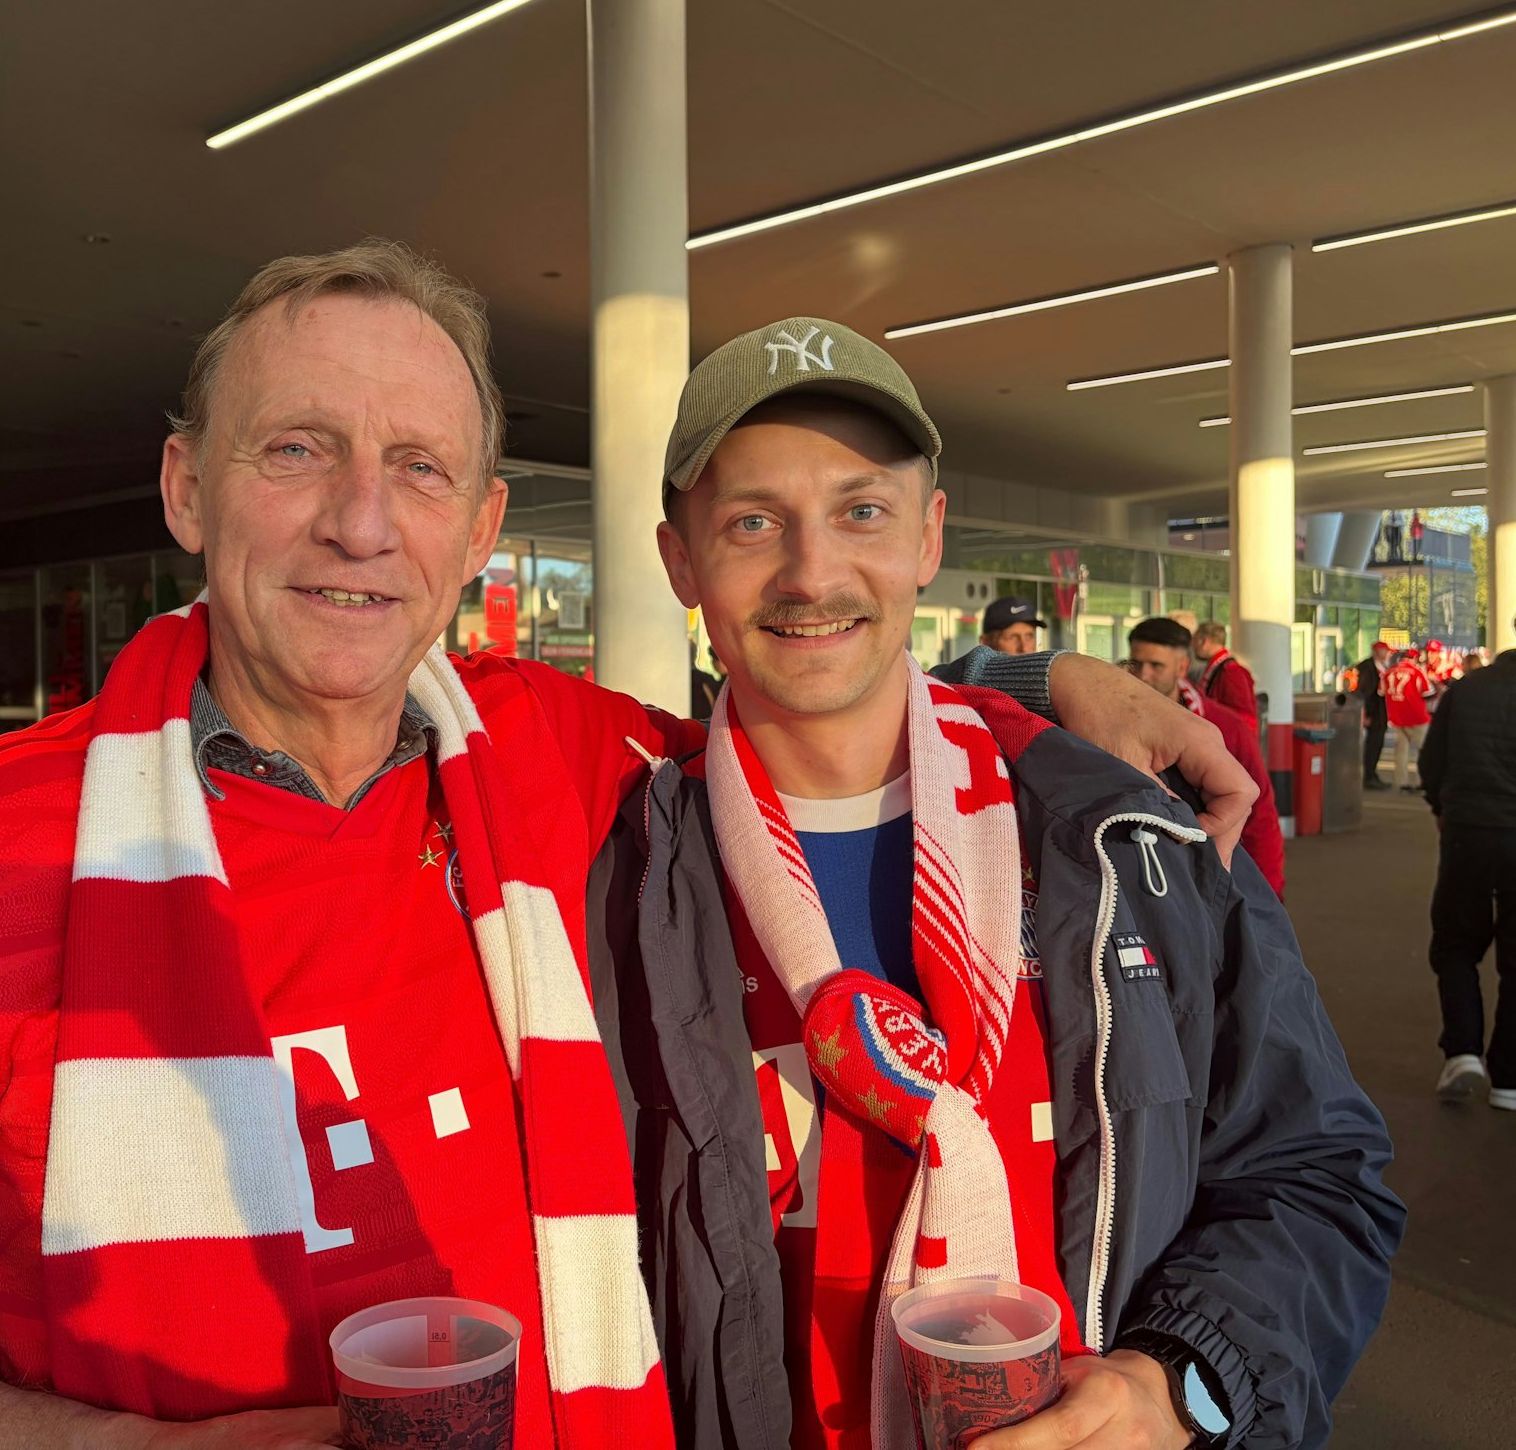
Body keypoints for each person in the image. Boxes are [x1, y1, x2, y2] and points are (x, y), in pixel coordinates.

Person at [0, 244, 1255, 1450]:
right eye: (296, 449)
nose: (362, 521)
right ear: (185, 486)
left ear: (483, 525)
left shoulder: (578, 770)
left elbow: (816, 688)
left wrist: (1036, 679)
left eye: (419, 468)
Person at [597, 317, 1398, 1450]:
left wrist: (1178, 1381)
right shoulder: (604, 865)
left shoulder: (1122, 842)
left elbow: (1316, 1172)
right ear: (679, 559)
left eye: (860, 510)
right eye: (749, 521)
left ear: (927, 536)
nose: (811, 571)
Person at [1417, 645, 1516, 1107]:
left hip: (1469, 831)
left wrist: (1442, 807)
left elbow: (1432, 760)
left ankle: (1462, 1052)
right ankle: (1509, 1078)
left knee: (1455, 943)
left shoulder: (1468, 689)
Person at [1126, 617, 1285, 896]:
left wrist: (1269, 891)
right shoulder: (1108, 724)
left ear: (1182, 667)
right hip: (1135, 879)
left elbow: (1259, 812)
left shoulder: (1225, 726)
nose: (1143, 675)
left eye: (1156, 665)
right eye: (1137, 663)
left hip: (1207, 879)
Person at [1381, 646, 1436, 791]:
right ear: (1415, 658)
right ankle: (1425, 782)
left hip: (1397, 716)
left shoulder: (1388, 672)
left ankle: (1400, 782)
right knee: (1425, 750)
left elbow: (1381, 692)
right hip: (1416, 717)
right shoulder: (1417, 672)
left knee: (1401, 751)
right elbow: (1428, 693)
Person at [1189, 620, 1257, 719]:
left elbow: (1243, 716)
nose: (1193, 647)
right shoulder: (1221, 668)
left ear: (1204, 641)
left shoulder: (1231, 672)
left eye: (1194, 640)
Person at [1352, 641, 1393, 788]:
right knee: (1372, 744)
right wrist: (1365, 714)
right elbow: (1364, 693)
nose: (1388, 654)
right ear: (1377, 651)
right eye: (1385, 651)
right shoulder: (1367, 668)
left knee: (1378, 744)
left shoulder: (1383, 667)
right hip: (1373, 713)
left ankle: (1373, 773)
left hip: (1381, 713)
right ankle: (1369, 776)